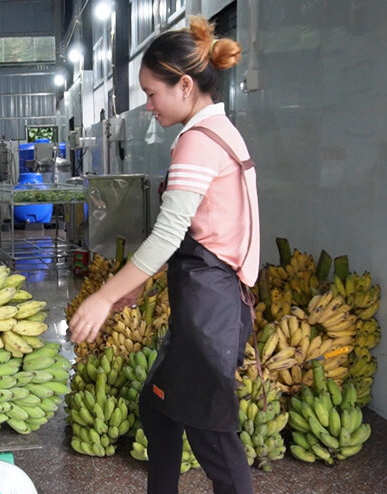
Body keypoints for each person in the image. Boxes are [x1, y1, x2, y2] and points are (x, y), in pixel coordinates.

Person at [68, 17, 259, 494]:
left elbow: (168, 236)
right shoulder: (218, 131)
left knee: (214, 438)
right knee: (158, 408)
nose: (149, 105)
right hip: (209, 300)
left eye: (152, 93)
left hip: (210, 310)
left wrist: (103, 298)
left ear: (185, 85)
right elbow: (203, 232)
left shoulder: (198, 141)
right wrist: (136, 285)